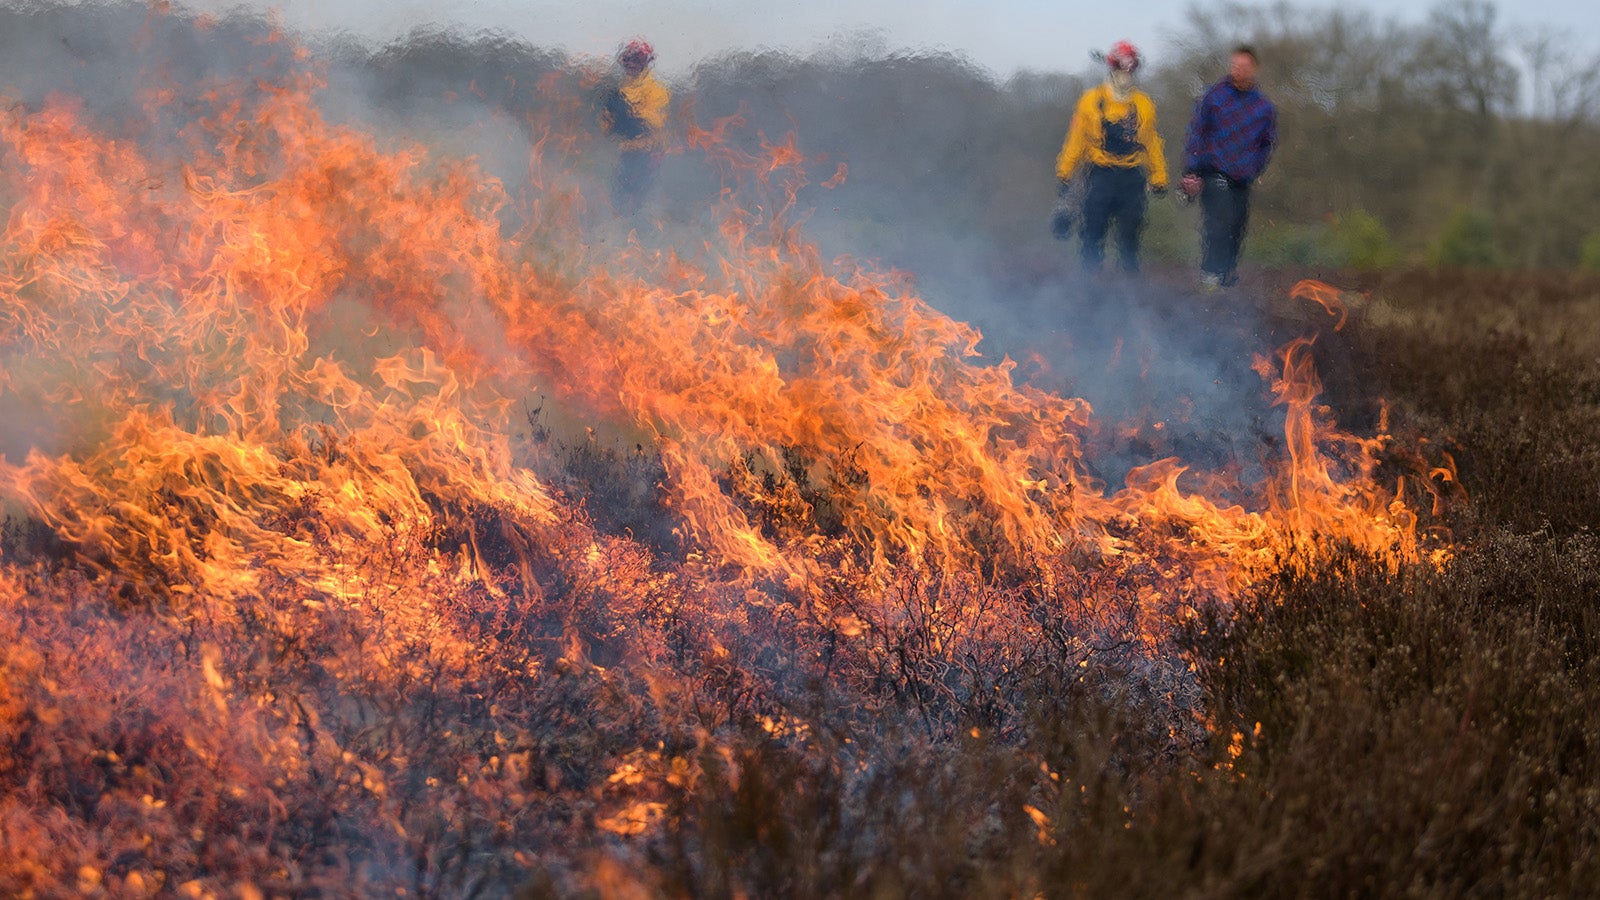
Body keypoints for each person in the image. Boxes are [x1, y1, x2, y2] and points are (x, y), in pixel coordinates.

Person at [1054, 41, 1170, 273]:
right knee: (1093, 229)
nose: (1126, 75)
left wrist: (1159, 176)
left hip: (1132, 177)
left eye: (1130, 70)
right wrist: (1065, 172)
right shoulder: (1091, 101)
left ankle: (1129, 283)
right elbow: (1076, 140)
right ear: (1111, 69)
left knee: (1130, 232)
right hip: (1100, 174)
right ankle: (1088, 279)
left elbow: (1151, 142)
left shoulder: (1144, 105)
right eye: (1121, 70)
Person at [1180, 45, 1278, 290]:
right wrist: (1192, 170)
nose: (1238, 71)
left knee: (1237, 226)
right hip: (1213, 170)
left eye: (1244, 67)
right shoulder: (1213, 97)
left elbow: (1267, 144)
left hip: (1243, 177)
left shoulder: (1264, 108)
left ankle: (1225, 274)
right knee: (1219, 221)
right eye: (1235, 66)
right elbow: (1196, 133)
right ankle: (1210, 274)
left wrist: (1255, 168)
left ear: (1254, 69)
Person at [599, 38, 671, 215]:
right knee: (619, 199)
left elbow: (652, 123)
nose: (631, 64)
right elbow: (606, 128)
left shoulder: (657, 89)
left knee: (642, 201)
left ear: (645, 62)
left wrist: (627, 118)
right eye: (628, 60)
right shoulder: (618, 90)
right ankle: (624, 236)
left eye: (636, 60)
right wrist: (612, 120)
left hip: (649, 154)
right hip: (626, 154)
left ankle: (644, 236)